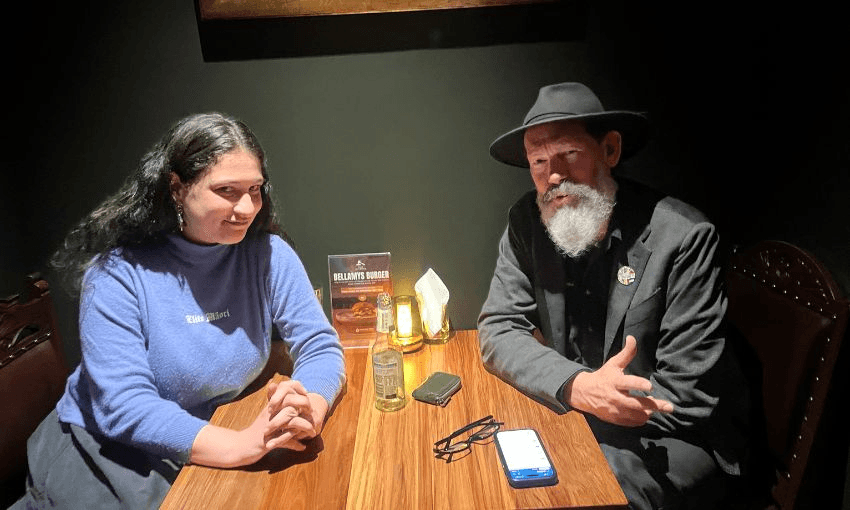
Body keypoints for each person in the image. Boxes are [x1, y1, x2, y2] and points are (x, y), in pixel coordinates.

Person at [12, 113, 346, 509]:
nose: (246, 207)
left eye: (255, 189)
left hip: (212, 436)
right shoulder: (117, 275)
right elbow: (124, 406)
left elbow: (320, 345)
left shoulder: (267, 254)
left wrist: (310, 407)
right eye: (226, 190)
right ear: (176, 188)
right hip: (112, 451)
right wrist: (241, 444)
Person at [478, 83, 748, 509]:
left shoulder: (684, 237)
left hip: (671, 439)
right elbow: (498, 327)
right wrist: (578, 387)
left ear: (610, 150)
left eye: (569, 155)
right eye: (539, 161)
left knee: (569, 496)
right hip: (580, 414)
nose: (553, 177)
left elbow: (687, 395)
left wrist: (593, 406)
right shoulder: (527, 223)